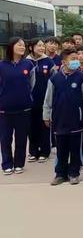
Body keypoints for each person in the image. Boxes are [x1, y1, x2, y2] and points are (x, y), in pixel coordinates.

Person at [43, 49, 83, 185]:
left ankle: (74, 173)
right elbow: (48, 100)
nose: (76, 61)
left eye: (77, 58)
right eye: (73, 58)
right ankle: (60, 174)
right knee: (61, 149)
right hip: (59, 119)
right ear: (64, 62)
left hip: (76, 119)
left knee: (75, 148)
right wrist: (46, 116)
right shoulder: (54, 79)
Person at [0, 38, 36, 175]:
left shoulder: (28, 65)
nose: (22, 47)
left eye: (23, 45)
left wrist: (26, 96)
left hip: (24, 108)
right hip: (4, 109)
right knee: (5, 138)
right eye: (19, 45)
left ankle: (19, 163)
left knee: (21, 138)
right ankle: (7, 164)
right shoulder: (2, 65)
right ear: (11, 46)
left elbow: (32, 84)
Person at [26, 38, 56, 163]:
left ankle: (45, 151)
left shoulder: (48, 62)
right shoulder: (26, 62)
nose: (41, 48)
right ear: (31, 47)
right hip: (29, 101)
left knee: (44, 126)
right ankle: (33, 152)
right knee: (31, 127)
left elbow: (54, 80)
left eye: (43, 46)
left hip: (45, 101)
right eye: (38, 46)